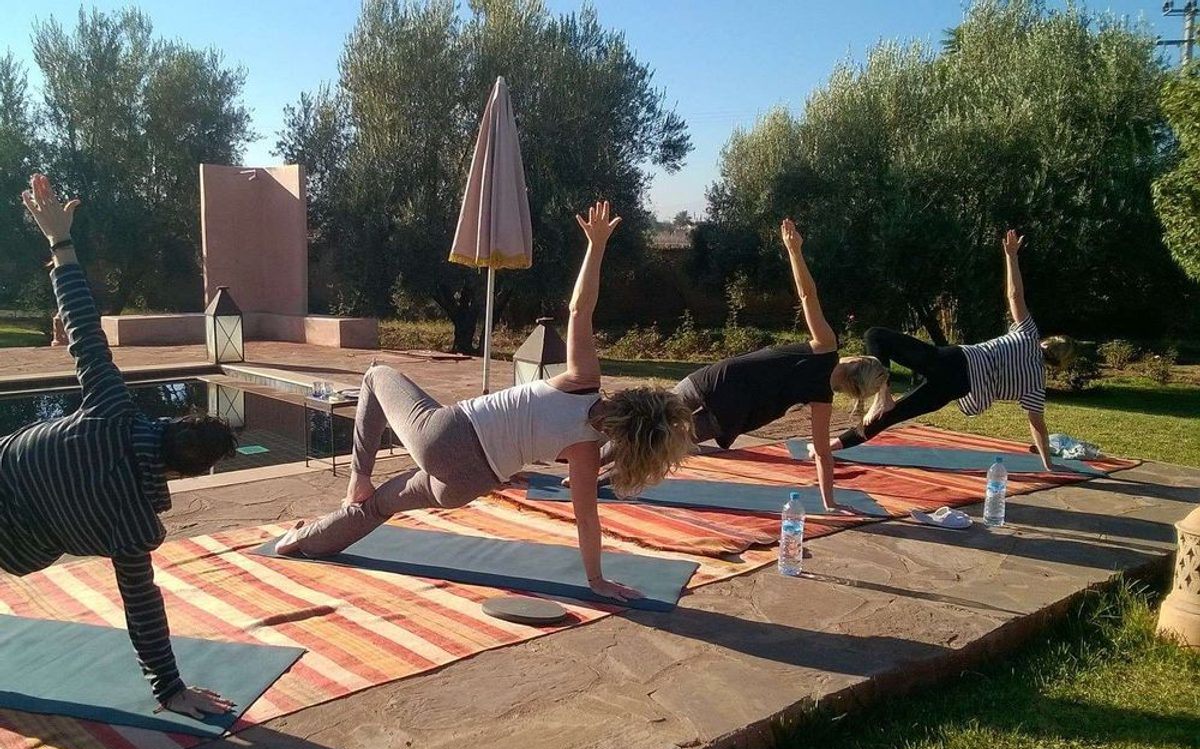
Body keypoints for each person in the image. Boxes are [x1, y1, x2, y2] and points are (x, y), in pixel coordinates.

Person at [275, 201, 694, 601]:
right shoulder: (586, 453)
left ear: (634, 398)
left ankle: (357, 478)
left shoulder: (584, 382)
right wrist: (596, 580)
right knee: (377, 509)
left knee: (375, 376)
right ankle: (300, 541)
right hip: (467, 484)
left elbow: (579, 309)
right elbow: (586, 519)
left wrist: (596, 246)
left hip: (446, 439)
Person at [2, 174, 239, 719]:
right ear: (184, 475)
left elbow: (84, 328)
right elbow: (143, 607)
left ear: (172, 423)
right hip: (17, 548)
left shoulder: (113, 410)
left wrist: (60, 241)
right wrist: (170, 689)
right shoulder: (134, 528)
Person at [582, 219, 888, 512]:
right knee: (662, 444)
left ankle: (585, 466)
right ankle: (592, 481)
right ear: (854, 389)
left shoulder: (826, 346)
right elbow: (822, 454)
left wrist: (794, 250)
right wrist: (829, 502)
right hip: (734, 413)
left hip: (718, 380)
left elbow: (808, 295)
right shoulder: (823, 398)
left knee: (648, 416)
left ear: (855, 360)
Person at [818, 230, 1077, 469]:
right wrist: (1048, 463)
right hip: (958, 387)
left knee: (875, 335)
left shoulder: (1028, 334)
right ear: (1057, 363)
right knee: (891, 416)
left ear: (1046, 342)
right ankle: (830, 446)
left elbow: (1014, 295)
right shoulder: (1036, 384)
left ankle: (882, 393)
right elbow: (1037, 425)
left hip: (954, 361)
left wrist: (1011, 256)